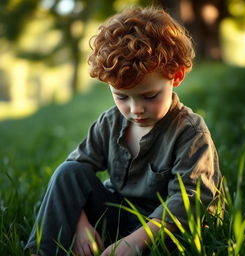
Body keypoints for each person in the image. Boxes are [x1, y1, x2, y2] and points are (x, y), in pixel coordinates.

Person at [25, 6, 222, 256]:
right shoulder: (110, 123)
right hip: (119, 217)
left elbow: (191, 200)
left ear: (176, 76)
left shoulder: (190, 133)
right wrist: (80, 221)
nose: (135, 109)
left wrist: (136, 241)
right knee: (67, 171)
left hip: (164, 229)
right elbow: (75, 170)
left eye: (149, 96)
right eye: (121, 97)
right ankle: (42, 251)